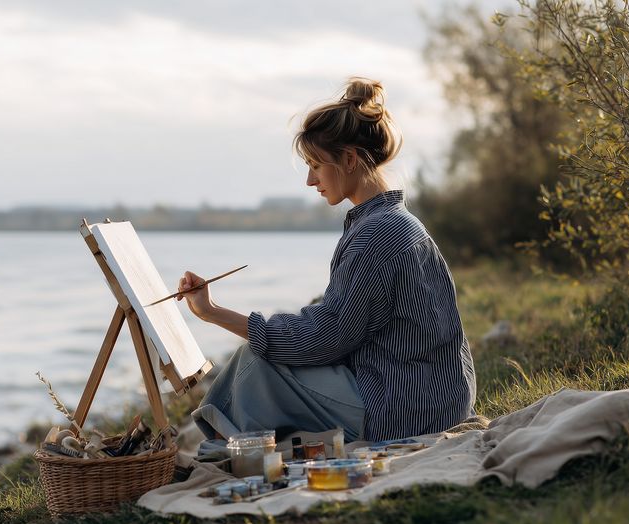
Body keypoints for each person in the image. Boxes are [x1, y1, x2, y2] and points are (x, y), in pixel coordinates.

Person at [180, 77, 476, 445]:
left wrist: (213, 313)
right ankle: (230, 445)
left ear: (349, 159)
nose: (309, 180)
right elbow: (342, 324)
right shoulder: (393, 221)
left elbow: (327, 336)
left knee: (255, 362)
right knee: (267, 359)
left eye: (316, 166)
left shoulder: (376, 233)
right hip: (437, 397)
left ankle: (223, 450)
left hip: (404, 409)